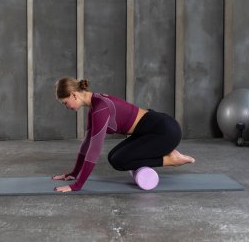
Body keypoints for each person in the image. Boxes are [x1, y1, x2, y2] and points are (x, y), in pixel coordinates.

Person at [53, 77, 195, 192]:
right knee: (113, 157)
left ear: (74, 94)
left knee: (119, 161)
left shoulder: (99, 109)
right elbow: (86, 144)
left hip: (165, 131)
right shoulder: (94, 107)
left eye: (65, 103)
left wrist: (77, 186)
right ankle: (166, 152)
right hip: (152, 130)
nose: (67, 107)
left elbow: (94, 150)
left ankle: (170, 159)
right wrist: (74, 173)